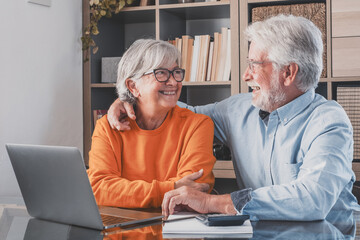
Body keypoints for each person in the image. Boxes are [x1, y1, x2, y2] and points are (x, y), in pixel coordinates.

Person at [107, 15, 360, 220]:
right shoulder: (238, 109)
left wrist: (212, 202)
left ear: (288, 72)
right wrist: (132, 98)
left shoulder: (329, 121)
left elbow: (311, 200)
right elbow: (184, 115)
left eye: (254, 65)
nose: (245, 75)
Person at [87, 39, 216, 209]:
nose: (173, 82)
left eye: (176, 72)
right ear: (133, 86)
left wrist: (124, 193)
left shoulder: (198, 125)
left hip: (175, 230)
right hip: (120, 231)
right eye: (161, 73)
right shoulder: (107, 127)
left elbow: (191, 191)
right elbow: (98, 189)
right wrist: (171, 188)